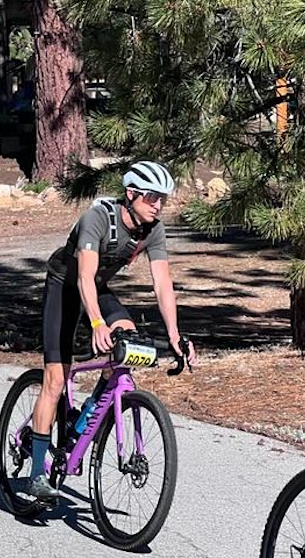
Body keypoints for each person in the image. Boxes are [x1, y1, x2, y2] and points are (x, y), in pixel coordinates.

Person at [22, 160, 196, 502]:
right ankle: (36, 475)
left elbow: (162, 283)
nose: (158, 205)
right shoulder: (98, 217)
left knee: (129, 340)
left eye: (162, 198)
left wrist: (175, 334)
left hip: (97, 288)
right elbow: (84, 276)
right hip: (64, 285)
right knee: (56, 380)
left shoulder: (153, 230)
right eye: (151, 197)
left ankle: (85, 417)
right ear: (131, 194)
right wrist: (98, 323)